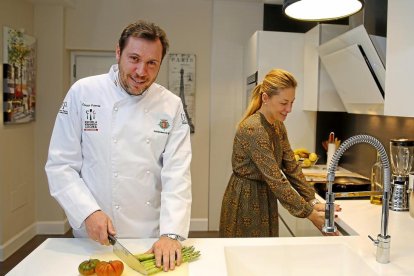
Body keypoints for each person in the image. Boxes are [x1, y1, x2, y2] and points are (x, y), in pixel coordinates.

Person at [45, 20, 192, 272]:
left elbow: (177, 173)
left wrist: (171, 234)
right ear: (118, 53)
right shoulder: (83, 93)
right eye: (133, 58)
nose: (141, 72)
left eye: (151, 63)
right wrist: (87, 212)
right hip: (94, 235)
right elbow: (61, 165)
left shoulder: (171, 104)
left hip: (150, 238)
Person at [219, 68, 340, 238]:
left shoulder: (277, 125)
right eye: (284, 103)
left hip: (265, 195)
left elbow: (291, 166)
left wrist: (311, 200)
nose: (289, 109)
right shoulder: (254, 128)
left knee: (263, 255)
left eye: (292, 102)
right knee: (248, 256)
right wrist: (311, 215)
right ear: (265, 98)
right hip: (246, 200)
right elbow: (276, 180)